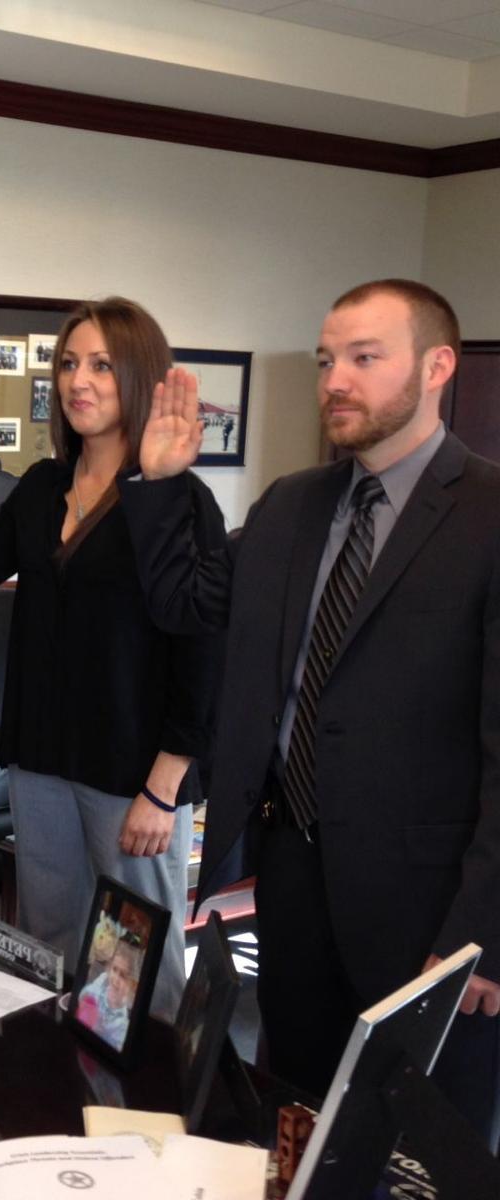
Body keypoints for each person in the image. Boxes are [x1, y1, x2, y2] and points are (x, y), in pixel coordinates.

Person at [120, 279, 500, 1148]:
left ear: (438, 366)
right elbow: (191, 607)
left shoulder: (488, 516)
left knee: (424, 1142)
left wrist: (483, 934)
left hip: (426, 907)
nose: (336, 378)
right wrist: (160, 486)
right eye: (329, 360)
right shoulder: (291, 504)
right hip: (290, 875)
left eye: (366, 358)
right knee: (297, 1110)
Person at [0, 298, 225, 1018]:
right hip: (41, 758)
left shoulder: (178, 502)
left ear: (138, 377)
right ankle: (52, 1102)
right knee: (45, 948)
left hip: (131, 772)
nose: (77, 381)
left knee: (132, 969)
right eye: (67, 364)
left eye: (99, 365)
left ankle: (150, 1113)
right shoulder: (41, 487)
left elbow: (203, 647)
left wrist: (164, 787)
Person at [76, 938, 142, 1050]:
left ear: (132, 985)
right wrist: (88, 1003)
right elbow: (83, 995)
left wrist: (102, 1030)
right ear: (109, 967)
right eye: (114, 969)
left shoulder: (122, 1023)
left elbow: (116, 1046)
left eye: (123, 976)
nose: (115, 978)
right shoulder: (103, 980)